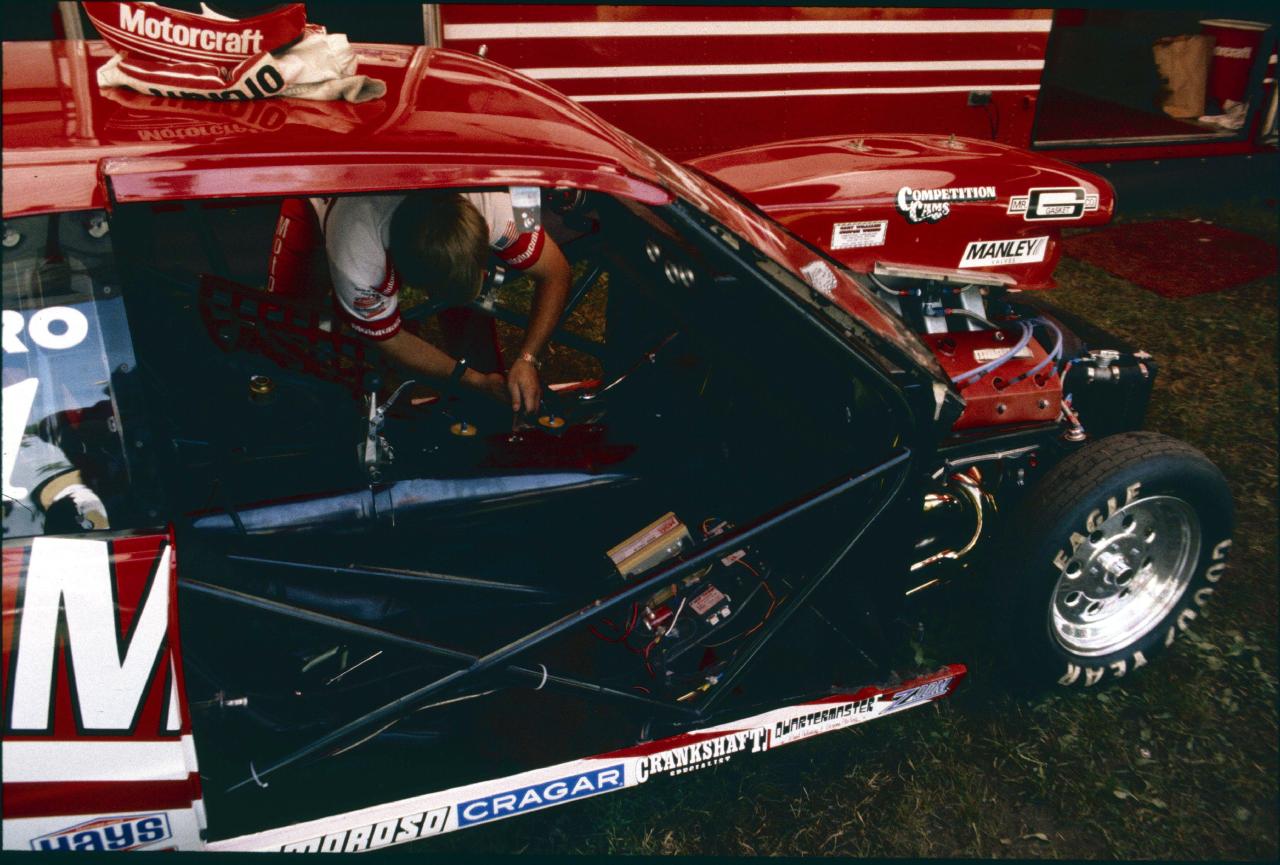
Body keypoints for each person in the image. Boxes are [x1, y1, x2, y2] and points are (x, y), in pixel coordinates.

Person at [319, 188, 571, 413]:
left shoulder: (497, 207)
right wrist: (474, 381)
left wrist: (528, 358)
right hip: (335, 201)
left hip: (443, 205)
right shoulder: (355, 258)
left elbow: (556, 271)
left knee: (465, 319)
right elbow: (388, 339)